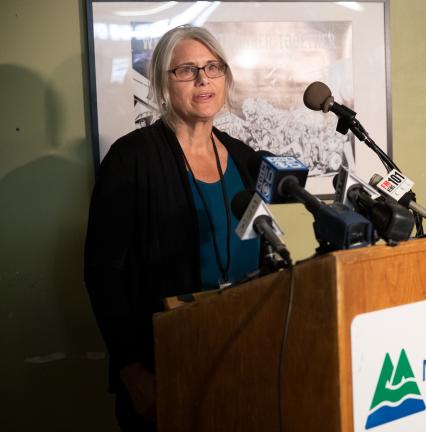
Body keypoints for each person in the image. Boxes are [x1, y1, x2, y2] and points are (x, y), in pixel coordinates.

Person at [84, 25, 261, 431]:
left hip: (248, 357)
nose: (203, 79)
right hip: (165, 369)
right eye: (186, 70)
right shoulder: (131, 160)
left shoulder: (245, 159)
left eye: (212, 67)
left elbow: (260, 248)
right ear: (163, 83)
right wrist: (132, 373)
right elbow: (103, 274)